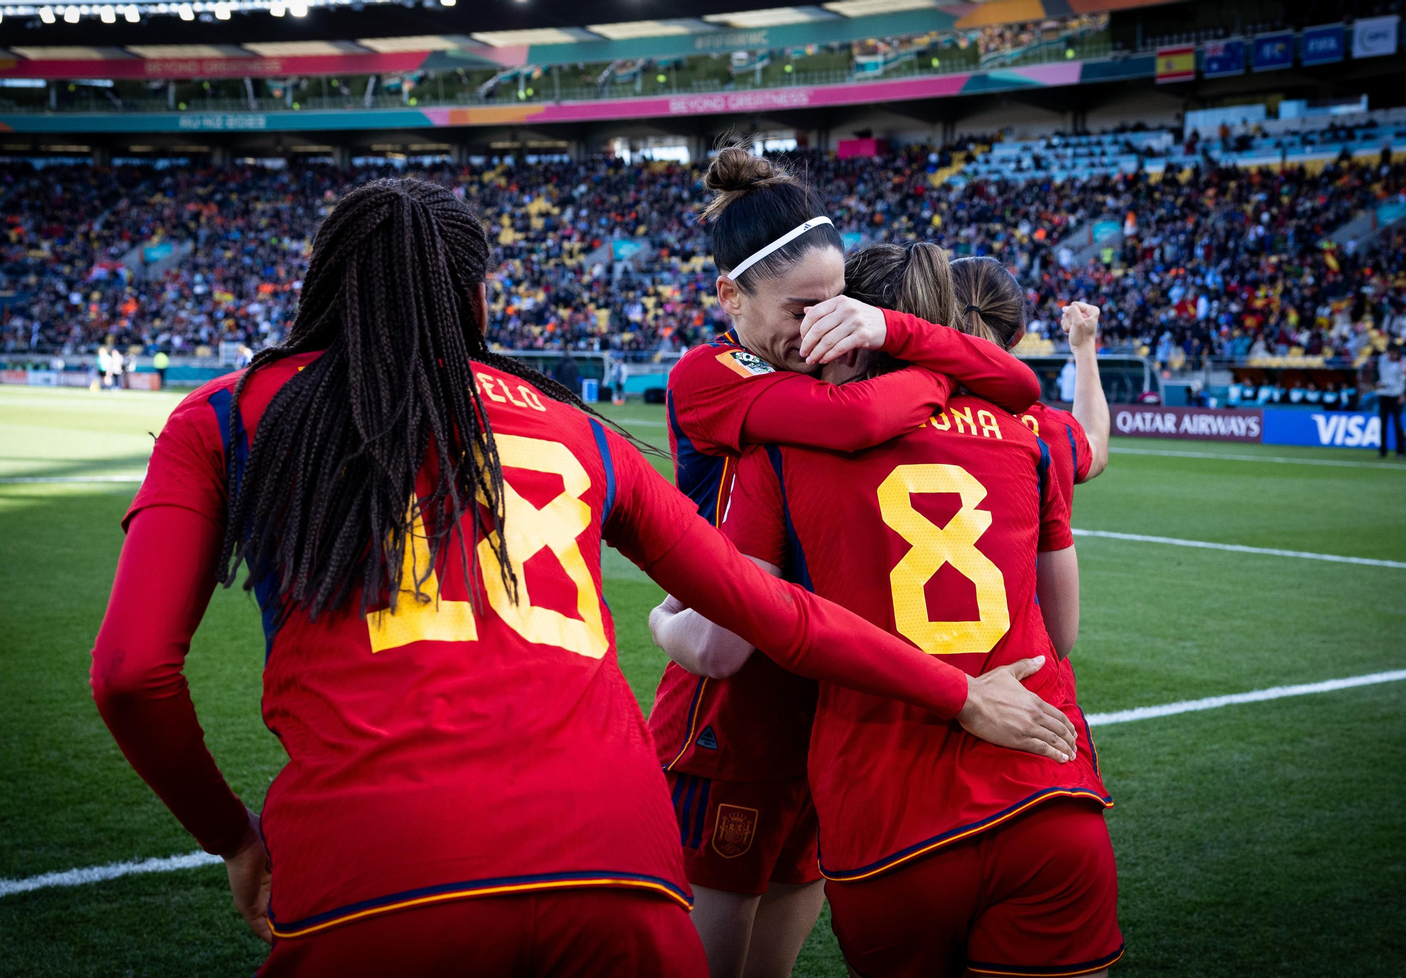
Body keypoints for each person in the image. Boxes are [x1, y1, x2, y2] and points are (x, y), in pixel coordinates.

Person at [88, 179, 1075, 977]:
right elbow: (771, 609)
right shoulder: (580, 429)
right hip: (620, 874)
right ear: (479, 301)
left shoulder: (226, 414)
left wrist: (232, 836)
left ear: (322, 287)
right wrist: (958, 692)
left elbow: (132, 672)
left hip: (380, 876)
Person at [653, 241, 1118, 978]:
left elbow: (722, 645)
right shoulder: (1034, 434)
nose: (809, 331)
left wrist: (659, 616)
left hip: (869, 792)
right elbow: (1060, 633)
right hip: (1041, 782)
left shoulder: (782, 447)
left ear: (858, 320)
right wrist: (1080, 353)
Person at [952, 256, 1109, 506]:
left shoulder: (891, 411)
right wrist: (1084, 345)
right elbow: (1096, 448)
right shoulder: (1049, 429)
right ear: (1018, 335)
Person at [1375, 344, 1406, 458]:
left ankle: (1401, 451)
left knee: (1397, 424)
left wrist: (1404, 394)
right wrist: (1377, 383)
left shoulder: (1404, 362)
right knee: (1383, 424)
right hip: (1384, 394)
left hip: (1396, 395)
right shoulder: (1382, 360)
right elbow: (1376, 375)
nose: (1394, 355)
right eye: (1392, 352)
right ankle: (1382, 450)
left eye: (1396, 352)